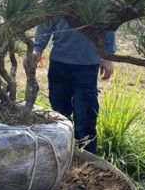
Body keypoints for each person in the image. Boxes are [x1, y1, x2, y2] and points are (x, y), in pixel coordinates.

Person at [33, 18, 115, 154]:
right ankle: (60, 154)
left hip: (87, 65)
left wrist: (108, 56)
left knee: (85, 116)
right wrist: (38, 48)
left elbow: (110, 24)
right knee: (59, 113)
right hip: (59, 63)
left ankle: (87, 159)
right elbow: (46, 21)